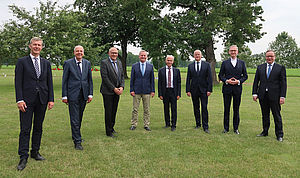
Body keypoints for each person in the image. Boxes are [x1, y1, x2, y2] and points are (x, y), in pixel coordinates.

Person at [14, 37, 54, 171]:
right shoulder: (22, 62)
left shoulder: (46, 63)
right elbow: (18, 82)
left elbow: (49, 82)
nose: (37, 47)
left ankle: (35, 152)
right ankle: (23, 156)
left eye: (39, 45)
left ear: (42, 47)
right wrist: (19, 99)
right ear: (30, 46)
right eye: (34, 45)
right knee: (25, 129)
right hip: (26, 101)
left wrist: (51, 99)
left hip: (42, 100)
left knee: (38, 127)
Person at [62, 45, 93, 150]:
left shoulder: (87, 63)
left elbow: (89, 80)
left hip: (84, 94)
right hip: (72, 94)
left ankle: (76, 134)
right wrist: (64, 95)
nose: (79, 53)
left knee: (79, 116)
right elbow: (64, 80)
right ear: (74, 52)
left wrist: (90, 94)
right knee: (74, 118)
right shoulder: (68, 63)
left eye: (81, 51)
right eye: (77, 51)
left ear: (83, 53)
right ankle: (77, 141)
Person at [252, 50, 287, 142]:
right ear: (265, 57)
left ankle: (279, 134)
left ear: (274, 57)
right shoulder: (260, 67)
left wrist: (282, 96)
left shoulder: (280, 68)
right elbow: (256, 81)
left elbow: (283, 83)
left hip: (275, 96)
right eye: (268, 56)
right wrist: (254, 93)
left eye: (271, 56)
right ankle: (265, 131)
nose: (269, 58)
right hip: (263, 95)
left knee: (276, 115)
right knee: (265, 115)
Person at [218, 45, 248, 134]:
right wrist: (226, 81)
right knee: (226, 109)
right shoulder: (225, 63)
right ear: (229, 52)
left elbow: (245, 76)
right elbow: (220, 75)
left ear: (237, 52)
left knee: (236, 109)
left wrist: (238, 81)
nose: (233, 52)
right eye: (231, 51)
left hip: (237, 89)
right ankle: (226, 128)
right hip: (227, 89)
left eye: (235, 51)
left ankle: (236, 128)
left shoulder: (242, 63)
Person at [186, 50, 213, 133]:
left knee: (204, 108)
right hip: (194, 90)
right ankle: (198, 124)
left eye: (198, 54)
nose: (197, 56)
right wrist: (188, 90)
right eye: (195, 54)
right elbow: (188, 79)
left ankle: (205, 126)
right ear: (194, 56)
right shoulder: (190, 66)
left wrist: (209, 89)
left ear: (201, 56)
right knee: (196, 108)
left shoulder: (207, 65)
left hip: (204, 90)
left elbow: (210, 78)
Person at [100, 47, 124, 138]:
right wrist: (114, 88)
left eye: (116, 53)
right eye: (112, 53)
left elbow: (121, 76)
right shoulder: (104, 63)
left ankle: (112, 127)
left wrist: (121, 87)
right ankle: (108, 131)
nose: (114, 55)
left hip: (117, 91)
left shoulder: (119, 62)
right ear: (109, 53)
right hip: (107, 92)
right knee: (108, 111)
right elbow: (105, 78)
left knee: (114, 110)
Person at [130, 50, 155, 131]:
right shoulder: (134, 66)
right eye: (142, 55)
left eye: (144, 55)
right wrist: (131, 90)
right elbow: (132, 79)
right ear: (139, 56)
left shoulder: (150, 66)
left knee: (147, 109)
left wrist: (153, 90)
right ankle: (134, 124)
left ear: (146, 57)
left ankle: (146, 124)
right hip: (136, 91)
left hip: (147, 91)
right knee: (135, 109)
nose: (143, 57)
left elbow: (152, 80)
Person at [158, 55, 181, 131]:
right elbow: (159, 83)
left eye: (171, 60)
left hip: (174, 91)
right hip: (165, 92)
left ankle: (173, 125)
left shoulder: (176, 71)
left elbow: (179, 83)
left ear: (173, 62)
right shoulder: (161, 70)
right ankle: (167, 123)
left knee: (174, 109)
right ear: (166, 61)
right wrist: (160, 94)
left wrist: (178, 94)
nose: (169, 62)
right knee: (166, 108)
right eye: (168, 60)